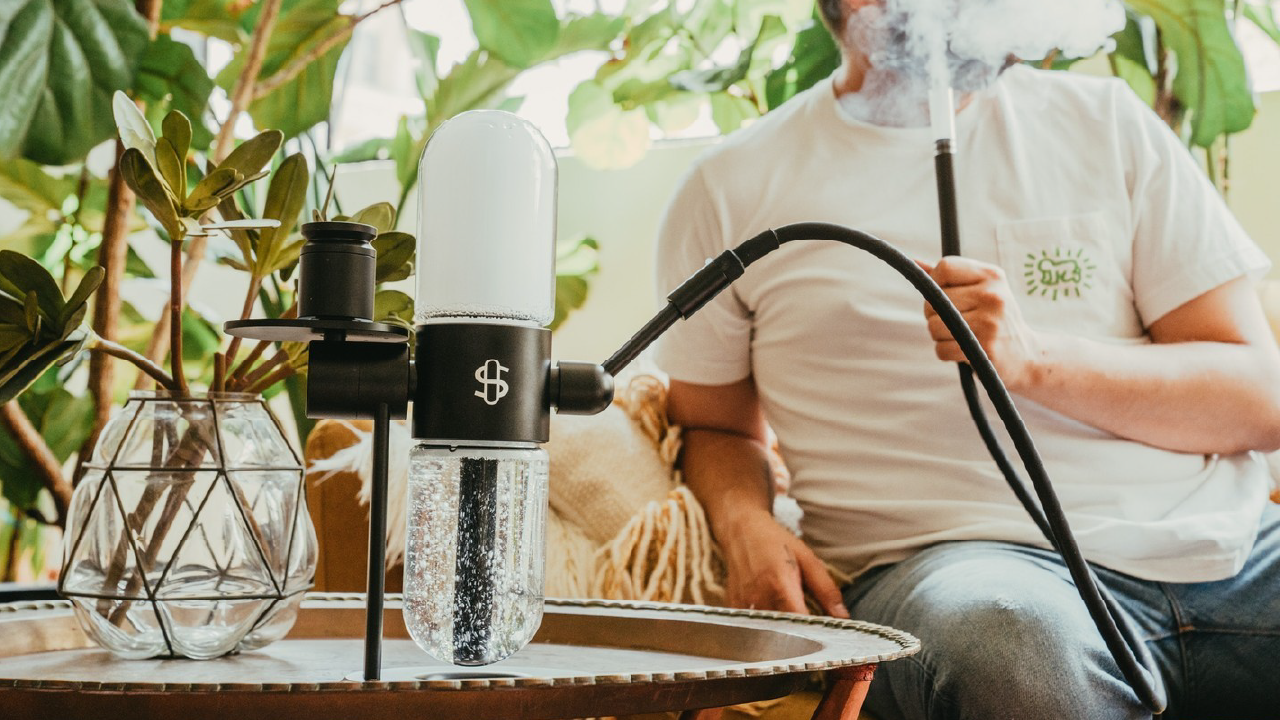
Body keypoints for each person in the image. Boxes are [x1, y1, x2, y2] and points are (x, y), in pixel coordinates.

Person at [652, 1, 1280, 718]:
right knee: (1012, 648)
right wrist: (747, 524)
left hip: (1233, 555)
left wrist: (1037, 362)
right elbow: (714, 429)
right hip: (965, 574)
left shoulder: (1108, 124)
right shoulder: (731, 189)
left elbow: (1261, 398)